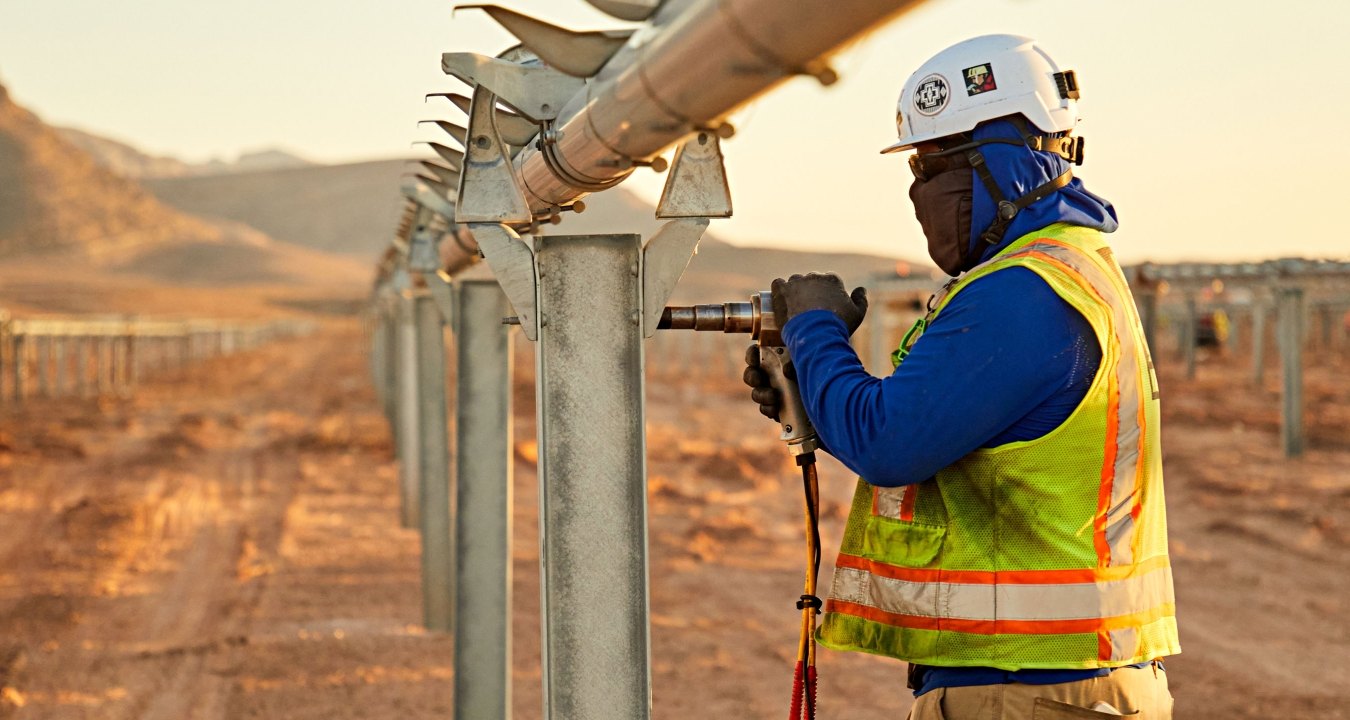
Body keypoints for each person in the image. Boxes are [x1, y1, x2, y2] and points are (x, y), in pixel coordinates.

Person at [744, 34, 1179, 719]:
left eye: (936, 165)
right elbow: (944, 441)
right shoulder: (1065, 274)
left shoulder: (1024, 294)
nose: (921, 189)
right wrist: (817, 406)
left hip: (1031, 690)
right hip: (1063, 680)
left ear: (1008, 165)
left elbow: (890, 443)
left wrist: (815, 328)